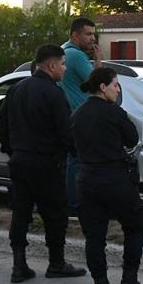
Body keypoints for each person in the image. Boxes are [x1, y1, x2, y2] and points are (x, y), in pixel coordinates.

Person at [0, 44, 87, 283]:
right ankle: (56, 263)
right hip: (46, 163)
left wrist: (13, 151)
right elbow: (66, 132)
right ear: (52, 65)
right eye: (63, 64)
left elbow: (1, 129)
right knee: (55, 214)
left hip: (19, 162)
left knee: (21, 213)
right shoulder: (54, 93)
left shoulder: (15, 90)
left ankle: (19, 265)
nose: (65, 69)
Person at [71, 67, 143, 284]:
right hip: (114, 178)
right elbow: (132, 138)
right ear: (103, 87)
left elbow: (72, 145)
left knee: (94, 236)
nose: (118, 90)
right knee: (136, 224)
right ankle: (129, 280)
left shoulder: (77, 114)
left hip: (87, 180)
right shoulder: (113, 112)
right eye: (116, 85)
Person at [59, 17, 102, 217]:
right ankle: (75, 204)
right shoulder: (75, 56)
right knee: (77, 161)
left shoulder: (63, 52)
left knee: (73, 160)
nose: (92, 38)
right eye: (88, 34)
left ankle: (73, 202)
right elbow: (98, 83)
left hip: (70, 115)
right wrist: (99, 61)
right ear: (75, 35)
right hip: (81, 115)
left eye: (93, 34)